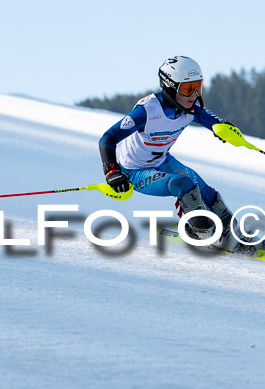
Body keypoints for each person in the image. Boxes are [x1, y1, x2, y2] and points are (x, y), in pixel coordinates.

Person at [99, 55, 244, 250]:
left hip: (162, 161)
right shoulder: (147, 111)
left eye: (197, 86)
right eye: (187, 89)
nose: (193, 95)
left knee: (206, 191)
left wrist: (227, 131)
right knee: (184, 185)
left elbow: (218, 124)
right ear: (169, 87)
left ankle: (235, 233)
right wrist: (112, 171)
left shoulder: (191, 108)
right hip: (134, 172)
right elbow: (107, 138)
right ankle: (202, 234)